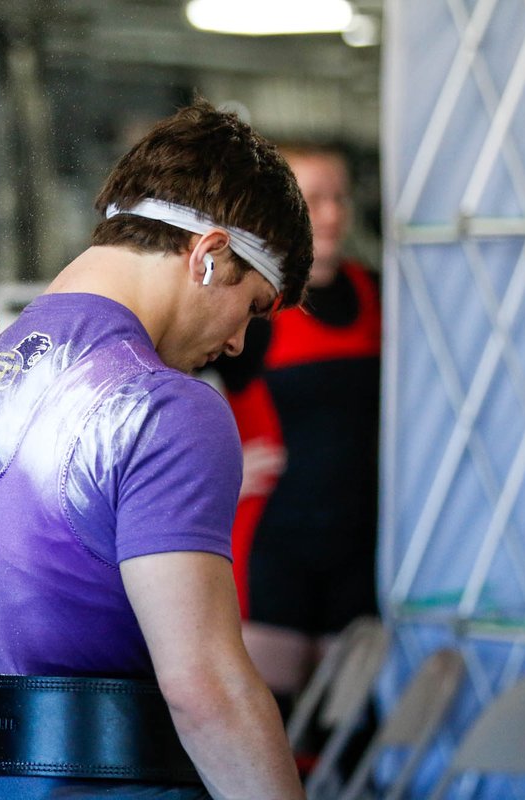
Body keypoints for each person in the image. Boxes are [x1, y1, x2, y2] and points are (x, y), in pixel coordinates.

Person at [0, 99, 312, 799]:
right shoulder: (164, 408)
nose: (240, 343)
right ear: (210, 256)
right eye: (252, 307)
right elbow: (204, 687)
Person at [216, 142, 381, 719]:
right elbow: (150, 380)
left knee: (351, 731)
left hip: (361, 543)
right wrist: (215, 471)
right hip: (273, 544)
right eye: (314, 200)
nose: (332, 214)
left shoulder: (378, 294)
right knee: (270, 723)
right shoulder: (255, 305)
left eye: (339, 198)